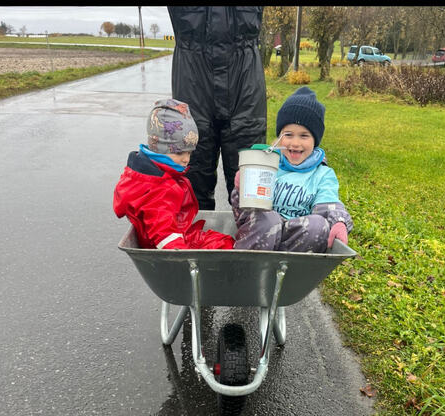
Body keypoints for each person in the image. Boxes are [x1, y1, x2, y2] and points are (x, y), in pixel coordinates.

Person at [167, 6, 267, 210]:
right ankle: (194, 240)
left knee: (251, 193)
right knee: (192, 189)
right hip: (193, 80)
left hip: (245, 84)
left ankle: (251, 240)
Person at [231, 87, 353, 253]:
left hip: (294, 242)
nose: (295, 143)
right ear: (280, 136)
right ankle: (248, 265)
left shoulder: (322, 174)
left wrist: (339, 221)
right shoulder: (267, 164)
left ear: (315, 140)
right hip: (260, 232)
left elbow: (328, 204)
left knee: (318, 225)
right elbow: (243, 210)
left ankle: (287, 267)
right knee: (270, 219)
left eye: (304, 136)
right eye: (288, 135)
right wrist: (243, 186)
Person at [113, 98, 234, 250]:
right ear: (161, 149)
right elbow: (164, 234)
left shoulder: (155, 175)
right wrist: (182, 261)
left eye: (190, 153)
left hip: (180, 234)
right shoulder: (160, 189)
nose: (186, 159)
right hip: (174, 244)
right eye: (180, 153)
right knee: (225, 246)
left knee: (226, 241)